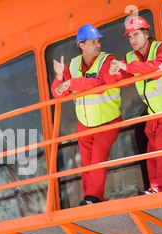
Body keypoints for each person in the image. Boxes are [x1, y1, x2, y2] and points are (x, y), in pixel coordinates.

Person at [107, 16, 162, 194]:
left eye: (136, 34)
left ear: (146, 33)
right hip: (155, 113)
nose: (133, 40)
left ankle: (161, 189)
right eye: (129, 37)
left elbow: (159, 68)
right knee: (152, 149)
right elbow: (122, 80)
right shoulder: (130, 57)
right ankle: (155, 188)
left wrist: (127, 67)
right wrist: (113, 72)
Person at [51, 24, 122, 206]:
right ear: (81, 45)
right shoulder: (72, 65)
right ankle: (88, 197)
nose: (98, 45)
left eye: (98, 41)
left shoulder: (107, 60)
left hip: (108, 120)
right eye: (93, 42)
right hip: (85, 123)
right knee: (86, 163)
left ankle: (93, 197)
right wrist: (60, 79)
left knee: (98, 158)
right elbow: (58, 93)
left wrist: (70, 83)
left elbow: (98, 84)